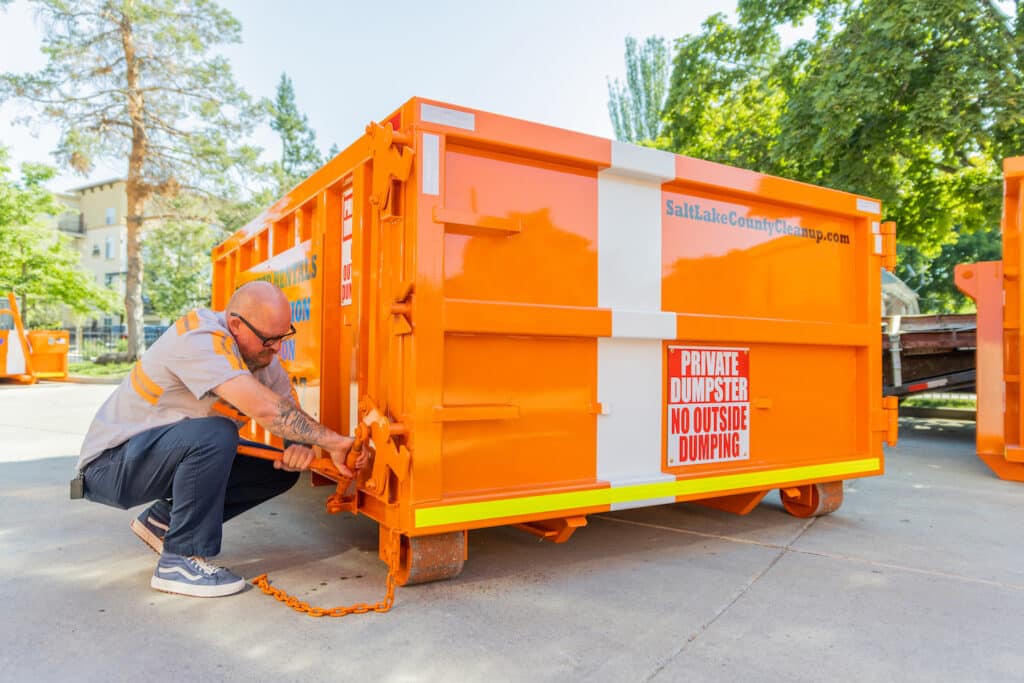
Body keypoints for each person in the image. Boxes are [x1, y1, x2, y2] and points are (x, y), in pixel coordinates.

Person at [75, 281, 365, 598]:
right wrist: (335, 442)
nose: (277, 348)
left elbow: (287, 409)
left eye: (283, 337)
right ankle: (180, 561)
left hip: (150, 458)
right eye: (269, 339)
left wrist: (300, 445)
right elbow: (265, 409)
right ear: (236, 324)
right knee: (216, 433)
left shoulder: (260, 358)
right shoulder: (199, 337)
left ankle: (164, 523)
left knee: (273, 471)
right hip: (111, 465)